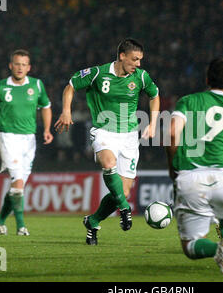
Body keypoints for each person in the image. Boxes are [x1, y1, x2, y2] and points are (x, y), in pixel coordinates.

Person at [55, 38, 160, 245]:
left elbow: (154, 95)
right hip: (103, 131)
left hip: (129, 137)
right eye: (134, 59)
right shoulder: (97, 73)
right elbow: (70, 86)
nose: (138, 64)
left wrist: (153, 123)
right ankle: (125, 207)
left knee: (124, 190)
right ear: (122, 56)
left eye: (140, 60)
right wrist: (66, 111)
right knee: (108, 164)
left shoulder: (141, 76)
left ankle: (93, 221)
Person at [166, 58, 223, 274]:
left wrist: (173, 167)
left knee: (190, 246)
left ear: (207, 79)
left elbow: (172, 133)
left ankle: (220, 249)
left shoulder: (188, 101)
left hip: (191, 176)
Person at [0, 49, 53, 236]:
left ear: (29, 67)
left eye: (24, 64)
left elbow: (46, 106)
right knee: (18, 180)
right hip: (7, 138)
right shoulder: (0, 87)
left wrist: (47, 129)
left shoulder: (37, 85)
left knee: (18, 186)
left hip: (29, 140)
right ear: (10, 66)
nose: (20, 68)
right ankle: (21, 226)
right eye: (17, 64)